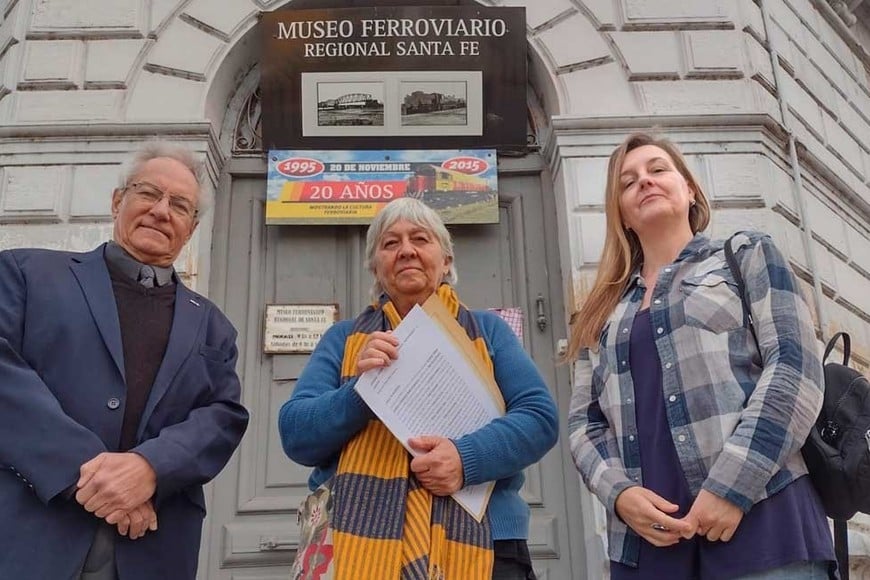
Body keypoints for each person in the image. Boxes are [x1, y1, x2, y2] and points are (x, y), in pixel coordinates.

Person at [567, 132, 836, 579]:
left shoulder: (746, 254)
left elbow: (795, 369)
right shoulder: (602, 310)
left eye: (658, 170)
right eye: (627, 181)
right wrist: (617, 494)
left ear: (689, 189)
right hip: (648, 546)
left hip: (763, 520)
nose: (644, 182)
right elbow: (583, 423)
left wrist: (732, 487)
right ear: (622, 215)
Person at [0, 141, 250, 580]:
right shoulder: (26, 274)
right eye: (148, 193)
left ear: (190, 228)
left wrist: (151, 467)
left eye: (179, 205)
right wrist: (93, 474)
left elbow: (222, 416)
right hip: (31, 531)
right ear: (118, 201)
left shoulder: (215, 326)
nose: (161, 211)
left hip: (154, 545)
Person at [279, 197, 558, 580]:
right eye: (390, 243)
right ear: (375, 267)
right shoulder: (344, 340)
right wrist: (361, 391)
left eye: (420, 239)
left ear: (446, 260)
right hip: (349, 543)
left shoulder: (489, 332)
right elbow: (296, 434)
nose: (406, 250)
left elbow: (539, 418)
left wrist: (465, 459)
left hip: (488, 544)